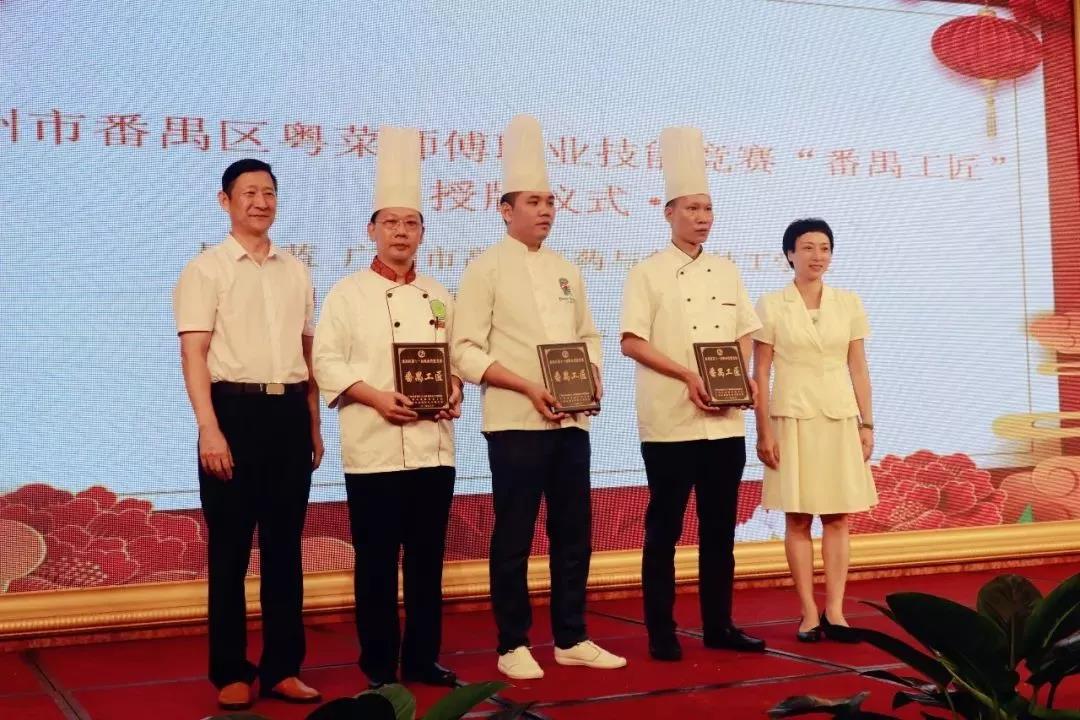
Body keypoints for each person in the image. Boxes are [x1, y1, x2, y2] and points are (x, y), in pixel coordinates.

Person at [452, 114, 626, 680]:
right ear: (506, 210)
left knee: (574, 533)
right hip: (515, 422)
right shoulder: (484, 268)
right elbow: (464, 351)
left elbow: (589, 335)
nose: (546, 210)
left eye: (551, 201)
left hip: (572, 422)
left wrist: (593, 372)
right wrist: (526, 385)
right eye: (533, 202)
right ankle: (512, 644)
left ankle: (572, 636)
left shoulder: (566, 269)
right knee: (515, 535)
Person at [313, 127, 461, 688]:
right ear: (371, 230)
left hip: (433, 451)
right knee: (375, 563)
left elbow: (455, 360)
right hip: (373, 450)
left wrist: (454, 389)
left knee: (427, 563)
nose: (401, 232)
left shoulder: (441, 294)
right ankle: (378, 665)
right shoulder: (347, 292)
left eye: (411, 223)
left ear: (423, 232)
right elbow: (325, 361)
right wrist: (375, 396)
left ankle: (422, 659)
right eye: (391, 222)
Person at [173, 158, 323, 710]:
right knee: (230, 551)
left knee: (285, 550)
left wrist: (313, 423)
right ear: (225, 201)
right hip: (232, 414)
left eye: (269, 193)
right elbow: (194, 353)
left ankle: (283, 667)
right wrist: (208, 429)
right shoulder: (205, 269)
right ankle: (230, 671)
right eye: (249, 193)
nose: (261, 202)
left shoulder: (296, 269)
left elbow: (307, 353)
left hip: (288, 415)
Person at [620, 127, 766, 661]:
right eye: (692, 209)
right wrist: (689, 376)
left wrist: (738, 377)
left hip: (724, 421)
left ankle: (719, 625)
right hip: (670, 421)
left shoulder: (726, 270)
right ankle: (661, 630)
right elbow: (631, 341)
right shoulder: (647, 273)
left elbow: (745, 330)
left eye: (708, 209)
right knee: (664, 528)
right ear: (669, 213)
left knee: (719, 529)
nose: (702, 218)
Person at [752, 218, 877, 643]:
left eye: (824, 248)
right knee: (799, 516)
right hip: (792, 419)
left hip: (839, 419)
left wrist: (867, 422)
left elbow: (858, 367)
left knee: (838, 516)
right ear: (790, 254)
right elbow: (761, 372)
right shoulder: (772, 304)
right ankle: (808, 612)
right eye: (807, 247)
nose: (816, 256)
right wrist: (764, 430)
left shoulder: (848, 302)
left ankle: (836, 610)